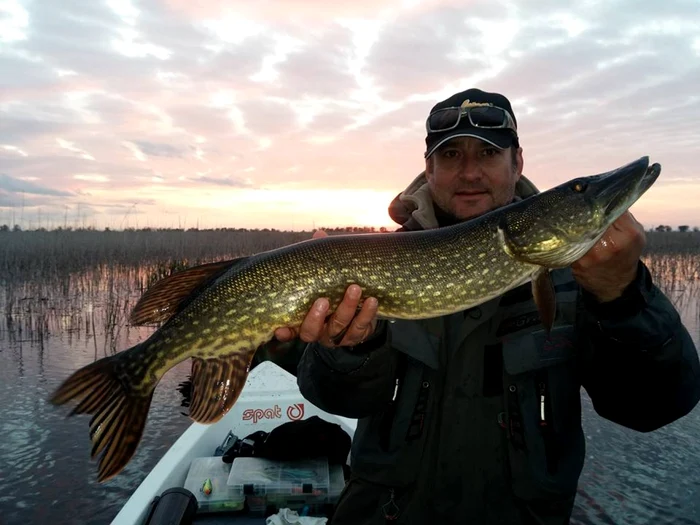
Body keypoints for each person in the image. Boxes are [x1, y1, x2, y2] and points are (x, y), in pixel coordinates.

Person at [273, 88, 700, 524]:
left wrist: (625, 299)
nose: (470, 172)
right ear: (428, 170)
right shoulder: (380, 259)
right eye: (452, 155)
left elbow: (656, 406)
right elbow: (335, 398)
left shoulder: (586, 280)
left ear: (517, 163)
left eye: (489, 153)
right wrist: (348, 349)